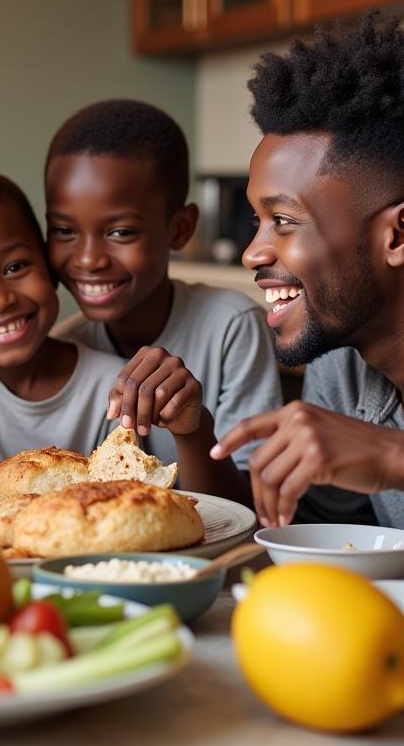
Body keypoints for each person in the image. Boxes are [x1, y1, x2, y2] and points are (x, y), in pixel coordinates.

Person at [211, 13, 404, 569]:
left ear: (400, 234)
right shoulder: (338, 365)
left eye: (283, 221)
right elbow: (339, 548)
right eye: (256, 222)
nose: (252, 253)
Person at [0, 171, 241, 495]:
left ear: (50, 269)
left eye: (15, 267)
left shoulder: (116, 383)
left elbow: (169, 494)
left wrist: (191, 429)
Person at [45, 99, 277, 497]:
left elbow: (257, 510)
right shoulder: (67, 348)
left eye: (120, 233)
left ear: (180, 228)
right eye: (64, 231)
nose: (87, 260)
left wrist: (194, 429)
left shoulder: (232, 328)